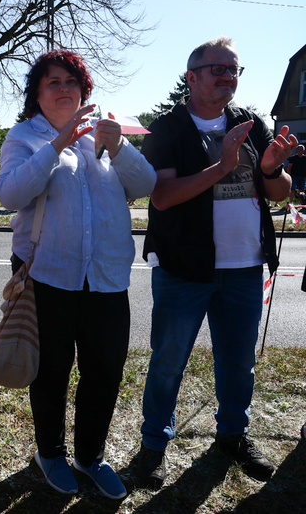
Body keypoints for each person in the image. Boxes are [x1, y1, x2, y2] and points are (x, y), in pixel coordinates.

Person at [137, 36, 297, 487]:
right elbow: (163, 197)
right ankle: (153, 445)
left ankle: (232, 434)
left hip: (245, 266)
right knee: (168, 360)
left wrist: (270, 168)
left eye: (235, 70)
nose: (229, 77)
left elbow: (280, 192)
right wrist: (221, 167)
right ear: (192, 76)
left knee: (238, 361)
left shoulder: (251, 123)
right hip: (183, 267)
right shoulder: (167, 128)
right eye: (218, 69)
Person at [0, 50, 156, 499]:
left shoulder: (105, 133)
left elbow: (145, 186)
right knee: (51, 372)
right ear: (38, 93)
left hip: (106, 278)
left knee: (105, 370)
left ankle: (90, 456)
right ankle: (50, 452)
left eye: (71, 81)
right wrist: (56, 146)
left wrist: (121, 147)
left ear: (84, 89)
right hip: (48, 275)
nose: (63, 87)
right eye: (52, 81)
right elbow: (9, 194)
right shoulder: (24, 137)